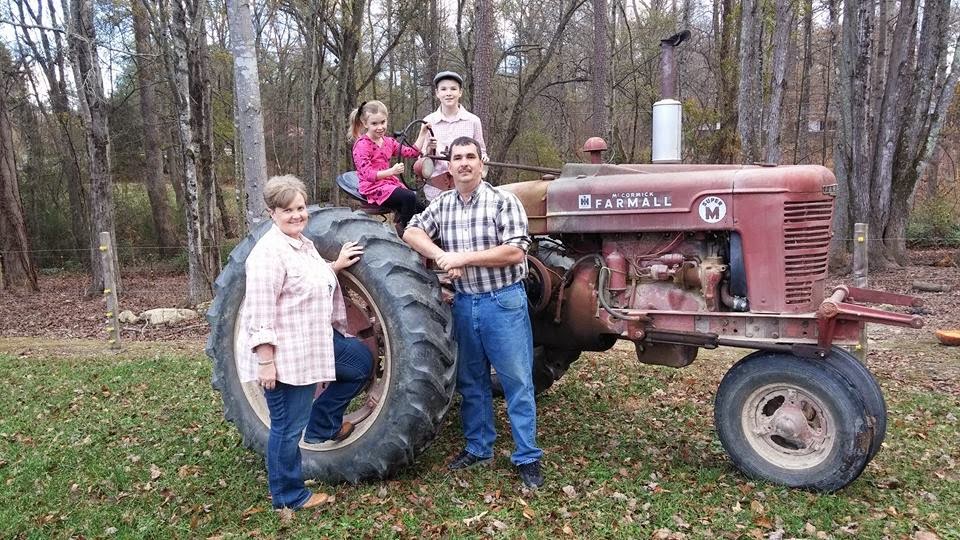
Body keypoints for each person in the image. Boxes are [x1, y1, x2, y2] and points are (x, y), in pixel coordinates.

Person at [402, 136, 544, 489]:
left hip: (503, 301)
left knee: (517, 382)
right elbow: (411, 231)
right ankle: (479, 448)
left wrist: (461, 258)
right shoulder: (444, 204)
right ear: (448, 166)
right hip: (464, 303)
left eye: (470, 157)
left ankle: (527, 457)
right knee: (471, 381)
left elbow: (515, 252)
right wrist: (439, 255)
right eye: (457, 158)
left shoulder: (503, 201)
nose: (464, 163)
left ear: (483, 162)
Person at [238, 175, 371, 510]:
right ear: (272, 212)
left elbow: (306, 278)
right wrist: (266, 360)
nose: (297, 215)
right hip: (287, 357)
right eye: (287, 210)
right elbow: (259, 312)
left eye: (300, 208)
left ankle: (322, 424)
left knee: (358, 362)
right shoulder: (267, 254)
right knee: (286, 426)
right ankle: (288, 495)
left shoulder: (301, 243)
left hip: (316, 343)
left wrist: (336, 266)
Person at [349, 100, 431, 229]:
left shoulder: (388, 142)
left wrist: (423, 133)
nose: (380, 127)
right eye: (374, 123)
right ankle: (405, 232)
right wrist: (391, 172)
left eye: (383, 122)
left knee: (422, 208)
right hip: (372, 187)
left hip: (389, 184)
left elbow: (412, 152)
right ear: (365, 124)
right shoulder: (362, 145)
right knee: (408, 197)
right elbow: (367, 174)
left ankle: (424, 233)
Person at [422, 71, 489, 200]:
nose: (448, 93)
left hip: (468, 185)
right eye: (444, 89)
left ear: (460, 92)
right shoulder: (428, 121)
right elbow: (422, 158)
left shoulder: (473, 121)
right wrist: (430, 148)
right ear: (437, 93)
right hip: (436, 188)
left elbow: (482, 152)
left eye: (453, 89)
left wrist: (483, 159)